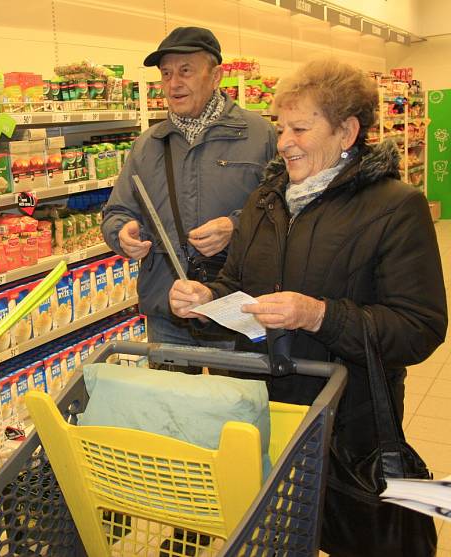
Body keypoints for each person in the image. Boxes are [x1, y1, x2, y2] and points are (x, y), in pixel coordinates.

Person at [169, 59, 447, 555]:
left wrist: (319, 315)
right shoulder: (265, 200)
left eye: (299, 128)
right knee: (276, 537)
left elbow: (419, 328)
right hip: (262, 416)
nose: (283, 142)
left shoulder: (394, 206)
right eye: (281, 127)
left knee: (352, 539)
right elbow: (237, 285)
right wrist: (204, 300)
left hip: (348, 424)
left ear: (346, 132)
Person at [101, 26, 277, 348]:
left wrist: (234, 226)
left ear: (216, 76)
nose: (173, 83)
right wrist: (122, 232)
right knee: (171, 399)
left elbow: (284, 210)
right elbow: (117, 210)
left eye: (185, 71)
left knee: (235, 398)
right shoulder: (147, 145)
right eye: (166, 74)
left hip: (235, 307)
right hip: (166, 308)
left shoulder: (259, 135)